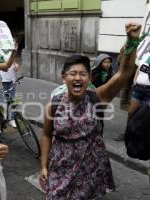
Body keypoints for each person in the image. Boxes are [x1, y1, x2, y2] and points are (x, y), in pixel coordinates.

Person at [40, 23, 141, 199]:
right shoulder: (53, 104)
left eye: (83, 74)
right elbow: (47, 134)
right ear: (64, 78)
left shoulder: (97, 98)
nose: (78, 77)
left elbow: (124, 72)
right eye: (73, 73)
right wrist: (43, 165)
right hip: (60, 168)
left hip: (90, 170)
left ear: (88, 78)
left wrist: (131, 42)